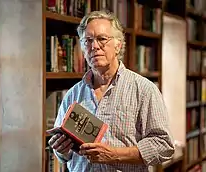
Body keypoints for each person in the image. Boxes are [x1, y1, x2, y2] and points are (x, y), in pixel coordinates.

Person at [48, 10, 175, 172]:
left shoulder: (144, 89)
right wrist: (61, 150)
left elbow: (164, 145)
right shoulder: (72, 94)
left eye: (102, 39)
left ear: (118, 45)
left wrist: (114, 155)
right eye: (88, 41)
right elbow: (64, 156)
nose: (94, 46)